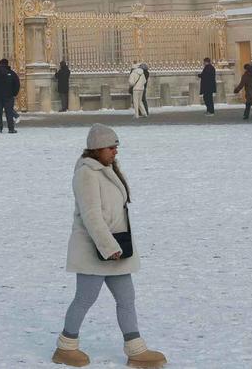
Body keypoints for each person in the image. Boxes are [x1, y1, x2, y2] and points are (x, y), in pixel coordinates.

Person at [52, 124, 167, 369]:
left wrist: (115, 246)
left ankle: (135, 350)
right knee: (85, 298)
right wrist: (108, 246)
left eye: (116, 147)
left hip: (117, 247)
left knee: (127, 298)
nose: (115, 151)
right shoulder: (87, 173)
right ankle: (65, 347)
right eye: (111, 147)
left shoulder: (108, 168)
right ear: (96, 149)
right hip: (94, 249)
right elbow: (91, 215)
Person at [0, 59, 21, 133]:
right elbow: (17, 84)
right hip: (9, 96)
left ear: (0, 64)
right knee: (9, 113)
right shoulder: (12, 73)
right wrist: (14, 93)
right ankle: (11, 129)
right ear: (7, 64)